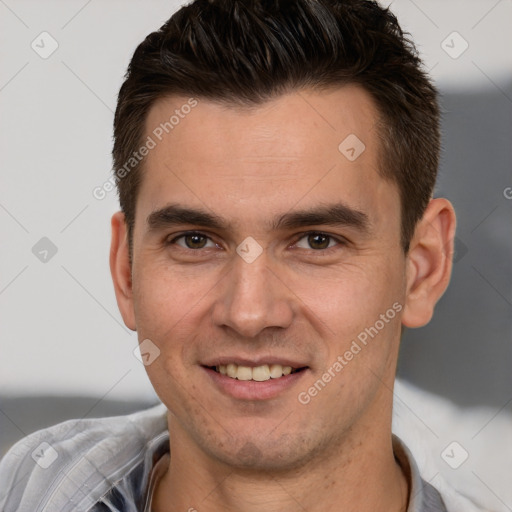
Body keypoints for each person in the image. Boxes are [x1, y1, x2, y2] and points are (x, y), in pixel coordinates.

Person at [0, 0, 486, 510]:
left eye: (317, 240)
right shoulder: (30, 487)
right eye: (195, 240)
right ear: (126, 270)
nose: (249, 313)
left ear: (422, 268)